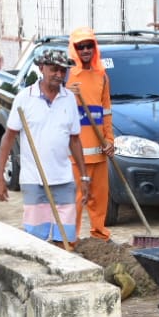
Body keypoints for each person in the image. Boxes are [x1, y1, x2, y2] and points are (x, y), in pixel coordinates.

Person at [0, 49, 88, 246]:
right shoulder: (24, 98)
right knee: (36, 241)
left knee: (65, 239)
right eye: (54, 69)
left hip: (63, 179)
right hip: (34, 180)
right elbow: (8, 138)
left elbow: (75, 140)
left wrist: (84, 176)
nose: (59, 75)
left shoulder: (69, 99)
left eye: (63, 71)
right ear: (41, 68)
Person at [66, 28, 113, 241]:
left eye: (89, 45)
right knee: (75, 199)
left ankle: (100, 237)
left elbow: (107, 112)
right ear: (74, 50)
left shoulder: (102, 75)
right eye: (80, 46)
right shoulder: (67, 76)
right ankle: (69, 240)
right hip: (75, 155)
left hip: (99, 150)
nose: (85, 50)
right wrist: (69, 95)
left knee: (99, 198)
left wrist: (109, 140)